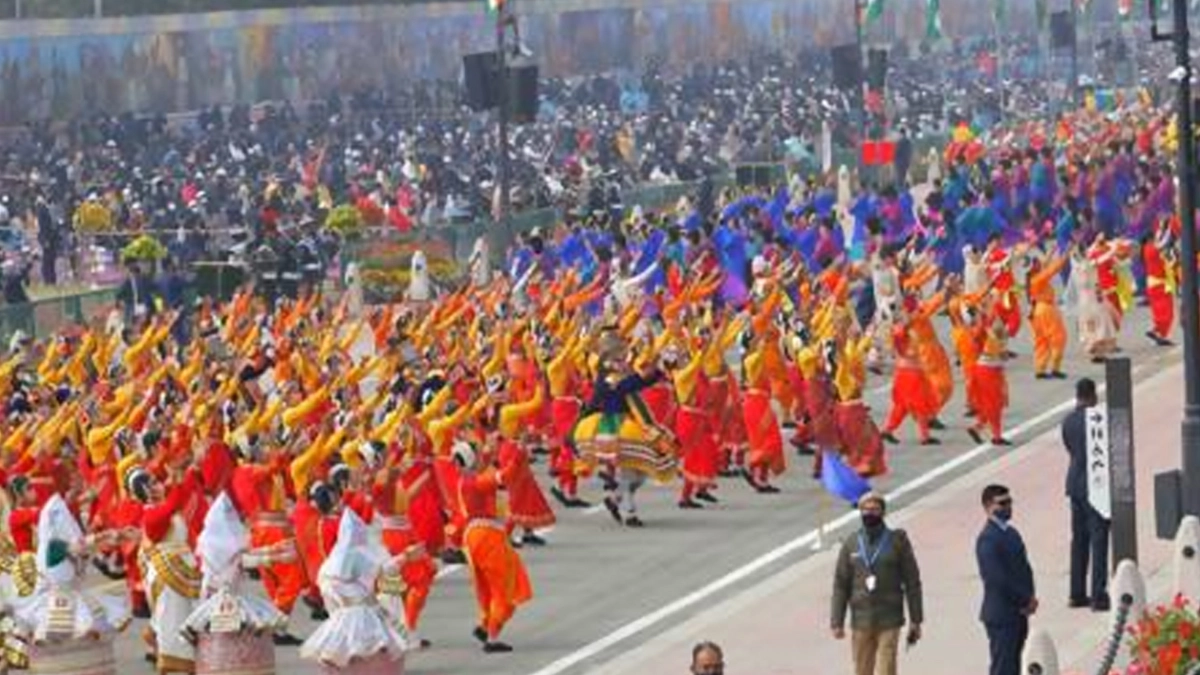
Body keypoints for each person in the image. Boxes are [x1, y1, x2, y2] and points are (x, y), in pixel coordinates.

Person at [830, 492, 924, 675]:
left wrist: (916, 619)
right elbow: (841, 584)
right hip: (861, 619)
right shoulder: (851, 543)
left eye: (874, 509)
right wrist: (837, 621)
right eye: (865, 510)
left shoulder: (897, 541)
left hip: (889, 618)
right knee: (861, 669)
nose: (869, 513)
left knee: (886, 669)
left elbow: (912, 582)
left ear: (883, 512)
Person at [1060, 378, 1111, 611]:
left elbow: (1071, 449)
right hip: (1096, 487)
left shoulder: (1068, 421)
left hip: (1074, 484)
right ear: (1092, 395)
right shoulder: (1098, 420)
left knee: (1078, 540)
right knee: (1098, 539)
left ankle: (1076, 593)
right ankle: (1099, 595)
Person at [976, 484, 1037, 675]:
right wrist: (1024, 599)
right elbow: (997, 580)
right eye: (1002, 503)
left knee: (1013, 665)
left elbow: (1024, 568)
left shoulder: (1011, 533)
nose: (1008, 507)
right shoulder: (987, 539)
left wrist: (1030, 597)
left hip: (1018, 612)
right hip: (1002, 614)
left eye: (1009, 502)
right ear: (988, 507)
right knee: (1003, 667)